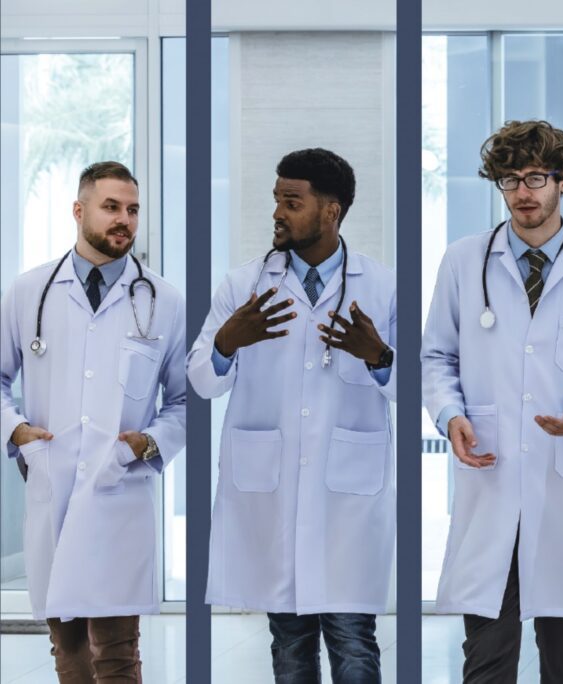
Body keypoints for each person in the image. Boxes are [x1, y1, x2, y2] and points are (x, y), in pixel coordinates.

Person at [421, 119, 563, 683]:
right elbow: (437, 358)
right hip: (490, 473)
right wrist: (451, 415)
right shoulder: (465, 262)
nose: (523, 192)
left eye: (537, 177)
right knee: (487, 656)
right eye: (510, 179)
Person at [187, 148, 396, 683]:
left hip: (347, 498)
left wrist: (379, 356)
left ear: (331, 210)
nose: (278, 212)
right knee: (289, 644)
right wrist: (226, 344)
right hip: (272, 493)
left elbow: (415, 386)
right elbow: (202, 380)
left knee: (354, 646)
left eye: (292, 202)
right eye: (277, 200)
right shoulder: (244, 284)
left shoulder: (382, 285)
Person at [1, 161, 187, 682]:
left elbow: (184, 401)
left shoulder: (164, 300)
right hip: (53, 482)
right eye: (111, 208)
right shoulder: (28, 292)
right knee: (69, 649)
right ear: (79, 211)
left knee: (117, 651)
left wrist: (149, 442)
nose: (124, 220)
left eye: (132, 210)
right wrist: (16, 432)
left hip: (118, 491)